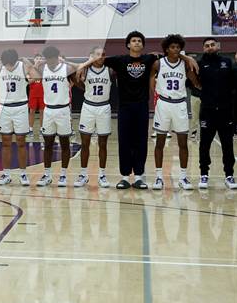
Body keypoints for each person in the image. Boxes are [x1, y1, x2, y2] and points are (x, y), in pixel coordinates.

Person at [79, 31, 198, 189]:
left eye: (139, 41)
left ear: (142, 45)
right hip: (124, 107)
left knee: (141, 142)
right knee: (125, 142)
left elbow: (171, 53)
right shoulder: (120, 60)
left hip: (141, 106)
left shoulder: (149, 59)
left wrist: (188, 58)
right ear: (128, 44)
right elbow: (98, 59)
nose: (136, 43)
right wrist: (83, 65)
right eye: (133, 40)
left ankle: (139, 176)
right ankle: (125, 177)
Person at [150, 35, 198, 190]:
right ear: (166, 49)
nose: (176, 49)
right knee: (160, 142)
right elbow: (151, 81)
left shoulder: (185, 64)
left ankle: (183, 177)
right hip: (163, 104)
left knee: (183, 143)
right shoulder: (158, 63)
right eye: (172, 47)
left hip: (180, 105)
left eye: (178, 47)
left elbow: (195, 82)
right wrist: (156, 94)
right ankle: (159, 177)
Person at [32, 46, 77, 187]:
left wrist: (66, 62)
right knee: (48, 144)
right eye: (48, 59)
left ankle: (63, 175)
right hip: (48, 110)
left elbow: (78, 73)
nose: (50, 61)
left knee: (64, 143)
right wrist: (37, 63)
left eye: (52, 58)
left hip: (63, 110)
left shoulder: (67, 69)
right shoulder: (42, 68)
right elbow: (29, 67)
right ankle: (47, 175)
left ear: (57, 57)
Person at [196, 38, 236, 189]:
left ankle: (229, 175)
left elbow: (234, 83)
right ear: (203, 49)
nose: (210, 47)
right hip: (207, 111)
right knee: (204, 145)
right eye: (207, 46)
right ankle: (204, 174)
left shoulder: (227, 62)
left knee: (227, 144)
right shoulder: (199, 64)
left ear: (218, 46)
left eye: (212, 45)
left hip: (225, 111)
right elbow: (192, 83)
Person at [0, 49, 32, 186]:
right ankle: (6, 174)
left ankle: (23, 173)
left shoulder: (23, 67)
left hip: (20, 107)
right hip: (4, 108)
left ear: (15, 61)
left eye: (11, 63)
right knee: (6, 142)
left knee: (21, 141)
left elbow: (36, 77)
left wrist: (29, 63)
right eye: (6, 63)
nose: (8, 66)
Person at [75, 46, 112, 188]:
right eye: (98, 54)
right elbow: (77, 77)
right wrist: (88, 62)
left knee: (103, 144)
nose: (101, 57)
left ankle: (102, 174)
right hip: (88, 107)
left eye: (103, 54)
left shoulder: (109, 70)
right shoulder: (85, 70)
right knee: (85, 143)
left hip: (104, 107)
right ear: (91, 56)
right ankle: (83, 174)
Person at [28, 54, 45, 137]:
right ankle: (30, 129)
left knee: (42, 112)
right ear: (34, 60)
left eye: (40, 58)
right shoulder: (30, 69)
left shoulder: (44, 69)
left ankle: (42, 129)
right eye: (37, 58)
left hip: (42, 94)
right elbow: (28, 81)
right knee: (32, 112)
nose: (38, 60)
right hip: (33, 94)